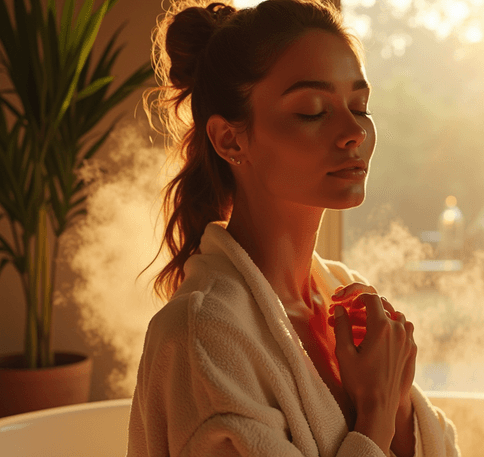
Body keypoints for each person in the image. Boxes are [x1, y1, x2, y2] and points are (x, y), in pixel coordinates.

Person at [127, 0, 460, 456]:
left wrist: (398, 401)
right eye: (312, 111)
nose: (354, 132)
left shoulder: (344, 291)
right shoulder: (202, 335)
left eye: (360, 107)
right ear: (230, 138)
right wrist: (376, 414)